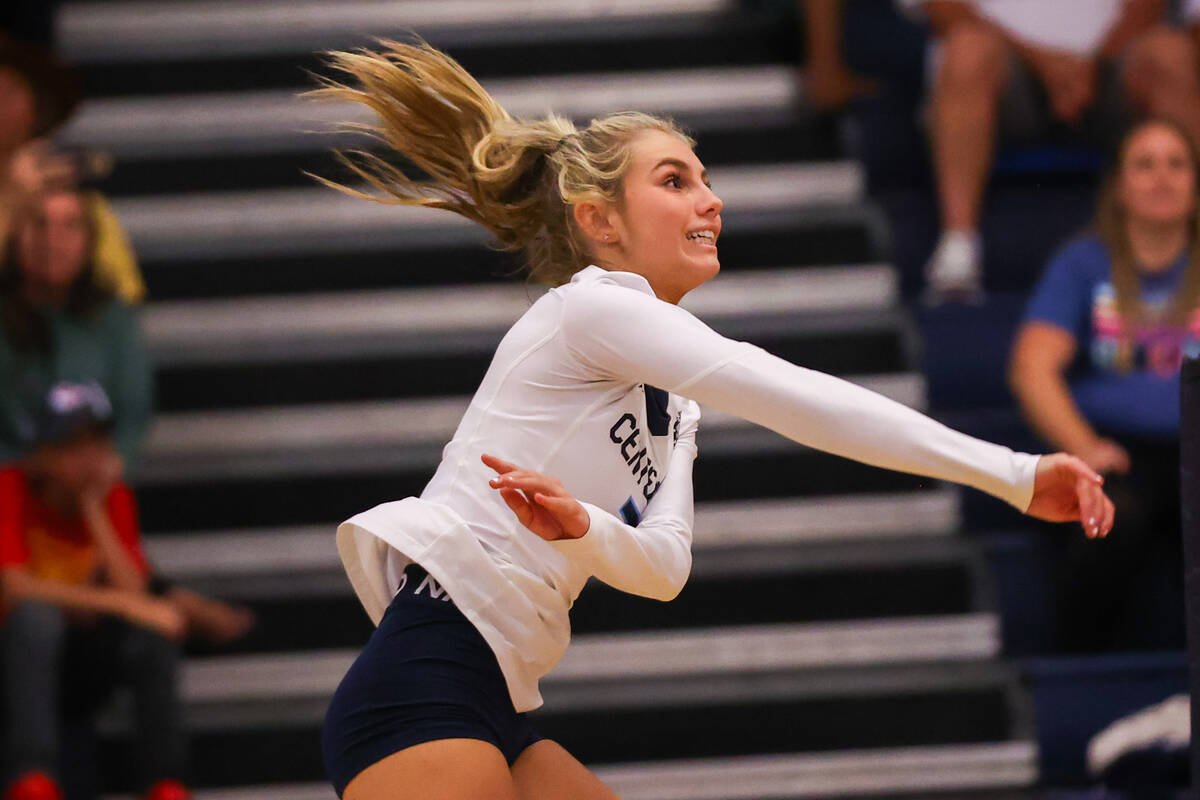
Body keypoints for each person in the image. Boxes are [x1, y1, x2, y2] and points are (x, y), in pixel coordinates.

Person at [315, 42, 1114, 800]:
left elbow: (664, 566)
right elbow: (799, 396)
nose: (710, 198)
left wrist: (580, 528)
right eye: (675, 181)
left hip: (496, 693)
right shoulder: (591, 310)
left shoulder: (675, 408)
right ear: (600, 221)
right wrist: (1012, 473)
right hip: (426, 677)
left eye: (705, 177)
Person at [1009, 117, 1199, 652]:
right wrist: (1086, 448)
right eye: (1145, 164)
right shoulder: (1082, 264)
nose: (1161, 177)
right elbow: (1031, 369)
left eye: (1176, 164)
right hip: (1117, 456)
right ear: (1120, 185)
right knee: (1113, 519)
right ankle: (1087, 678)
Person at [899, 0, 1200, 303]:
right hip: (1004, 65)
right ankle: (958, 245)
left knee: (1170, 53)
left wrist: (1091, 65)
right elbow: (943, 8)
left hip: (1111, 63)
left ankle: (1191, 235)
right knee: (967, 48)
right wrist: (1044, 63)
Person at [0, 382, 190, 800]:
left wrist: (94, 510)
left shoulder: (111, 496)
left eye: (98, 442)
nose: (88, 458)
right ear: (39, 457)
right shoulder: (9, 489)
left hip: (83, 658)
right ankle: (32, 779)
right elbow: (14, 585)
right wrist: (117, 602)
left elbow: (136, 591)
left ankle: (164, 784)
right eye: (71, 445)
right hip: (17, 663)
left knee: (152, 634)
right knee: (36, 619)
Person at [0, 185, 153, 471]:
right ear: (15, 233)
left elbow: (134, 414)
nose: (53, 240)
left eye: (71, 226)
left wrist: (103, 469)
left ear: (91, 238)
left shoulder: (113, 316)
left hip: (92, 486)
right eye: (39, 223)